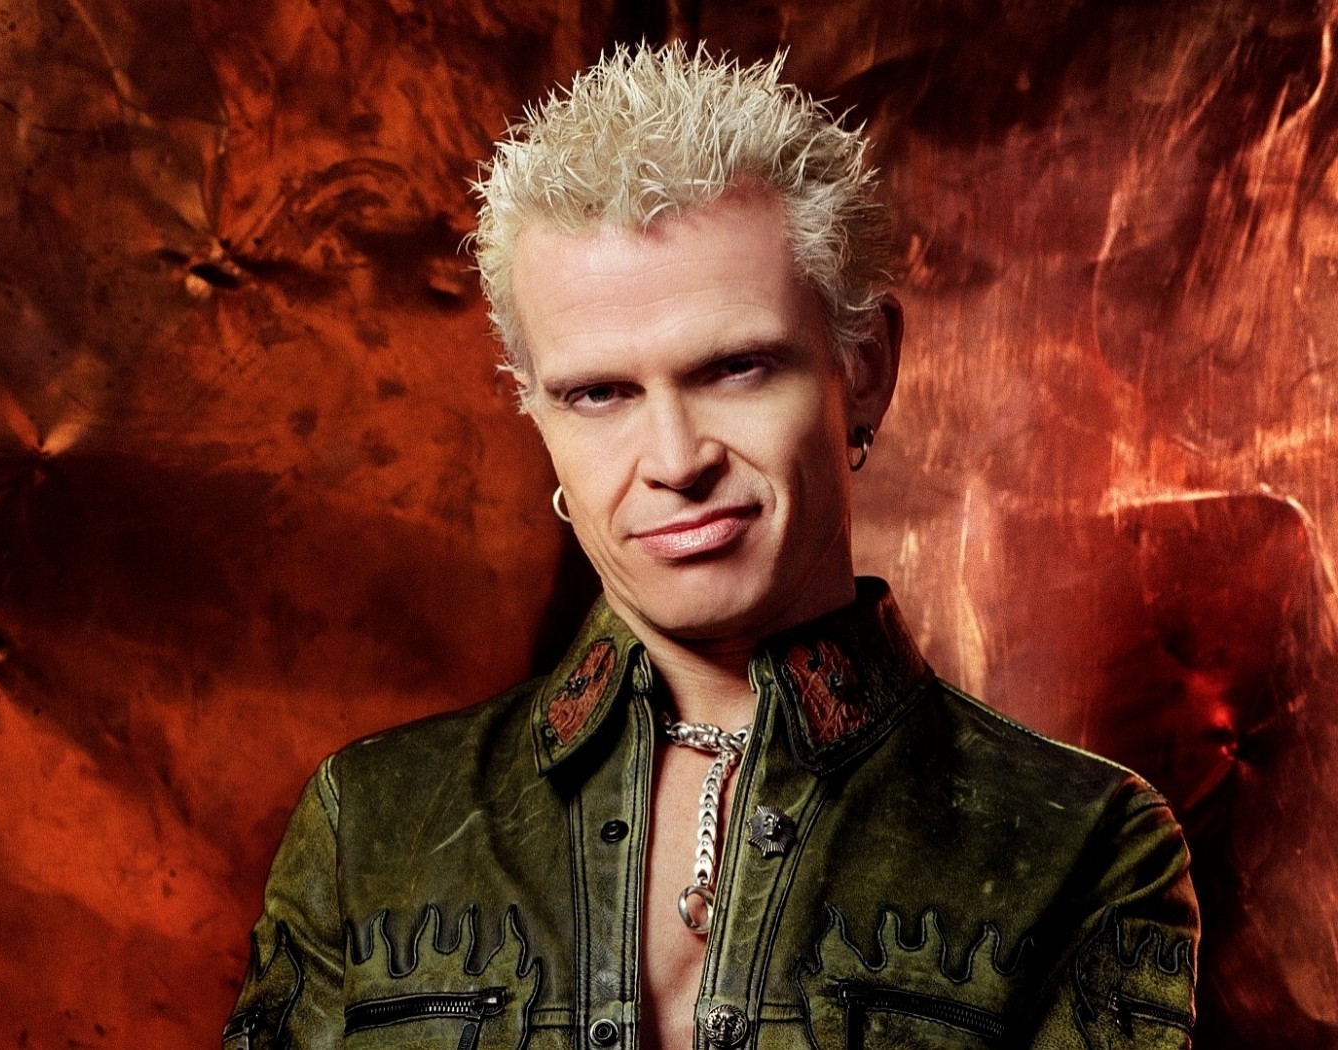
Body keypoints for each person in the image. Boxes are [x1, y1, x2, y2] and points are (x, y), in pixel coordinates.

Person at [224, 44, 1198, 1050]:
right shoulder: (366, 825)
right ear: (537, 414)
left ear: (864, 369)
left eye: (735, 368)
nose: (675, 460)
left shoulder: (1085, 842)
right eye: (598, 393)